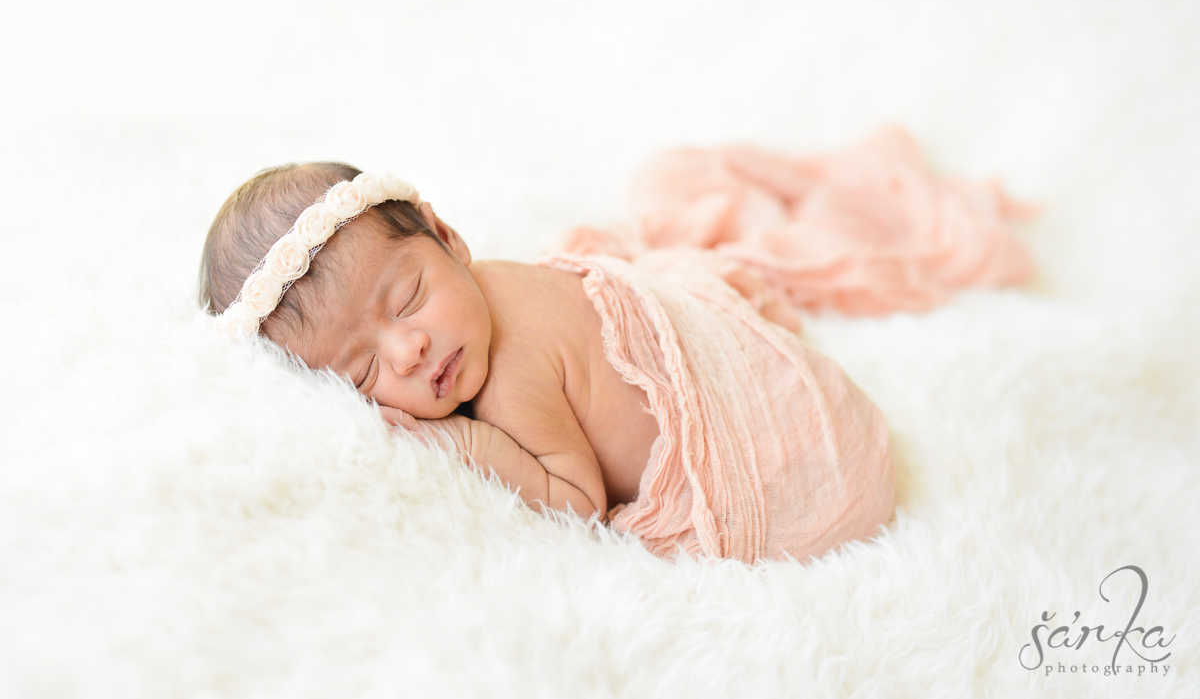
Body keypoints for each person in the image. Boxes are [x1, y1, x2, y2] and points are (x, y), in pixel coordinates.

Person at [199, 128, 1031, 563]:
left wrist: (468, 439)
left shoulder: (512, 377)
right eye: (365, 369)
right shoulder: (483, 286)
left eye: (407, 298)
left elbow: (577, 502)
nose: (411, 349)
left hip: (808, 471)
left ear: (449, 237)